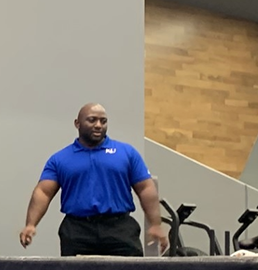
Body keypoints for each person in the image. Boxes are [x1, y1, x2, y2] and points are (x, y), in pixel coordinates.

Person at [19, 103, 168, 257]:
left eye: (103, 121)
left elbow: (146, 188)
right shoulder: (60, 159)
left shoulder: (126, 153)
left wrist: (155, 224)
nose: (98, 125)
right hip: (77, 230)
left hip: (120, 228)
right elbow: (43, 192)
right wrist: (31, 224)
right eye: (92, 120)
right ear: (77, 124)